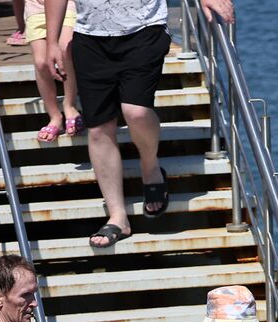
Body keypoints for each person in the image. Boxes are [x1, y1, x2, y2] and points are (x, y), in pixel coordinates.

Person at [43, 0, 235, 247]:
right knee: (99, 126)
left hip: (145, 29)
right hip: (90, 35)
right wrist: (52, 42)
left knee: (135, 111)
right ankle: (117, 216)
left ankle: (150, 166)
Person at [24, 0, 83, 141]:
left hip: (67, 4)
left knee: (65, 48)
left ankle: (70, 105)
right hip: (35, 7)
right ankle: (54, 115)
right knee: (41, 62)